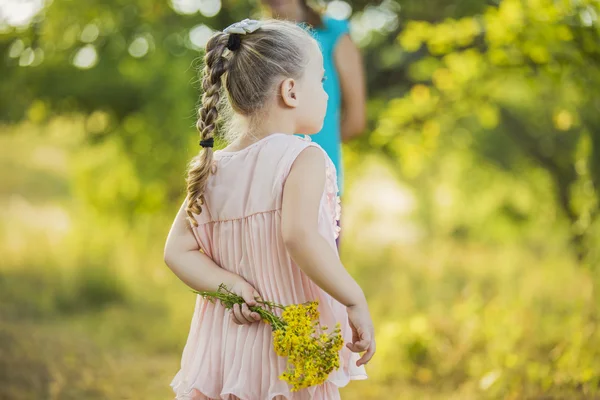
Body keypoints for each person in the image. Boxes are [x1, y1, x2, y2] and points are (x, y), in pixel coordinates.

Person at [164, 19, 375, 400]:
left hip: (228, 356)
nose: (327, 94)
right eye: (322, 81)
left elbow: (176, 250)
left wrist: (233, 288)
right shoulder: (303, 156)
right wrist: (353, 297)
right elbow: (298, 236)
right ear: (290, 91)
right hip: (288, 354)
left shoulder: (214, 168)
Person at [263, 0, 367, 193]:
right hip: (267, 175)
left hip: (320, 176)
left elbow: (356, 120)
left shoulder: (333, 32)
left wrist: (312, 152)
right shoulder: (258, 40)